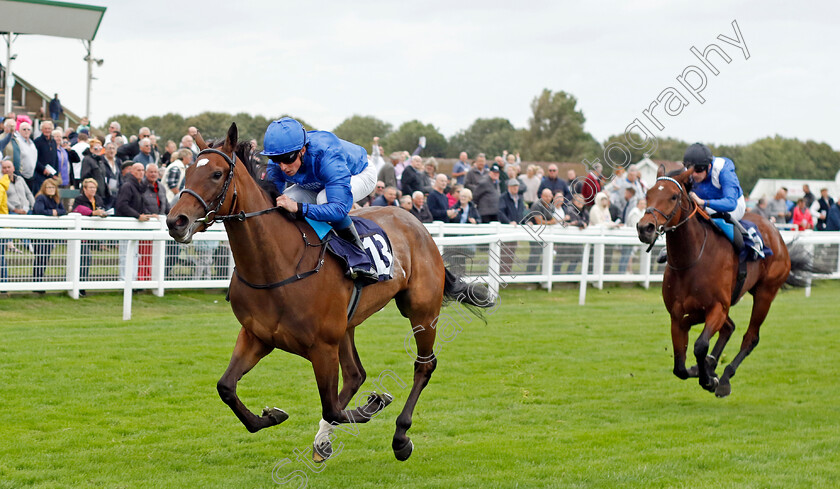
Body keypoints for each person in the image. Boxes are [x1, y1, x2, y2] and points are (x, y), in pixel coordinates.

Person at [263, 117, 377, 280]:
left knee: (324, 200)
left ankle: (361, 259)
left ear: (302, 150)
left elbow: (338, 209)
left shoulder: (327, 154)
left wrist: (299, 208)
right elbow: (272, 199)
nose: (283, 167)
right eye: (276, 160)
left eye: (288, 159)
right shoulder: (281, 158)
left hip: (360, 173)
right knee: (284, 200)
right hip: (316, 181)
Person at [658, 143, 747, 263]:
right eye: (691, 170)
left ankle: (749, 243)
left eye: (699, 170)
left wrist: (703, 202)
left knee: (714, 217)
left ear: (709, 167)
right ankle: (671, 248)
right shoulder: (687, 172)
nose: (694, 175)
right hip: (701, 204)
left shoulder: (723, 170)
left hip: (732, 205)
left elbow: (731, 203)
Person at [71, 178, 107, 293]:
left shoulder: (98, 199)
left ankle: (82, 284)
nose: (93, 190)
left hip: (94, 234)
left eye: (94, 188)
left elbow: (102, 209)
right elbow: (77, 210)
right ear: (84, 189)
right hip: (82, 235)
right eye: (90, 187)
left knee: (86, 259)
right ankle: (80, 286)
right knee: (84, 258)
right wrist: (92, 213)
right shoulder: (79, 199)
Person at [32, 179, 66, 283]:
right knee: (40, 258)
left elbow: (63, 211)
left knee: (45, 257)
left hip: (50, 233)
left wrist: (56, 212)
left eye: (53, 187)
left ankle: (39, 281)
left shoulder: (56, 199)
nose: (51, 189)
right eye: (49, 187)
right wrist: (52, 212)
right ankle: (37, 282)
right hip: (39, 233)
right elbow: (39, 210)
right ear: (44, 188)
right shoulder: (41, 198)